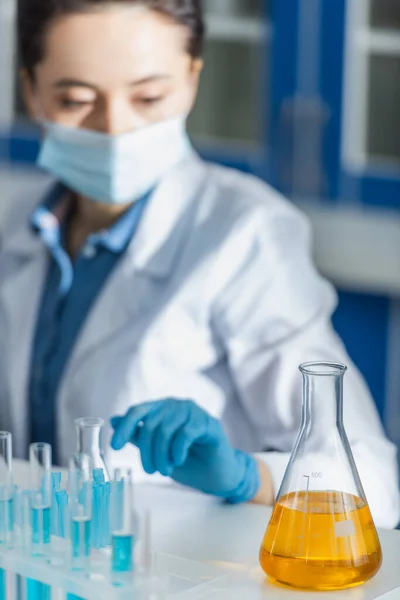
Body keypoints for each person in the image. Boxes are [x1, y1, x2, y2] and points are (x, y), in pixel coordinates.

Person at [0, 0, 398, 526]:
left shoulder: (246, 234)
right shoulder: (15, 220)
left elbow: (373, 480)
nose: (115, 128)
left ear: (190, 80)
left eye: (149, 97)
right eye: (76, 99)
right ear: (30, 90)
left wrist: (243, 475)